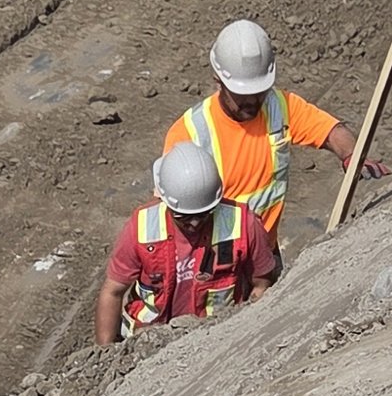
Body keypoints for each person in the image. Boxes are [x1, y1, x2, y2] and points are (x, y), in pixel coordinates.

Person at [160, 17, 379, 273]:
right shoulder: (188, 133)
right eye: (242, 94)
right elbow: (172, 214)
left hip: (265, 252)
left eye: (259, 91)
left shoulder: (280, 107)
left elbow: (331, 131)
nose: (252, 101)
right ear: (218, 80)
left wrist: (352, 155)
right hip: (213, 263)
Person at [96, 145, 271, 345]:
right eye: (183, 217)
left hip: (213, 340)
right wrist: (104, 355)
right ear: (164, 200)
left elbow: (261, 286)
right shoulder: (142, 227)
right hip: (145, 344)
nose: (195, 223)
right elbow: (112, 292)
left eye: (203, 214)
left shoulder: (242, 224)